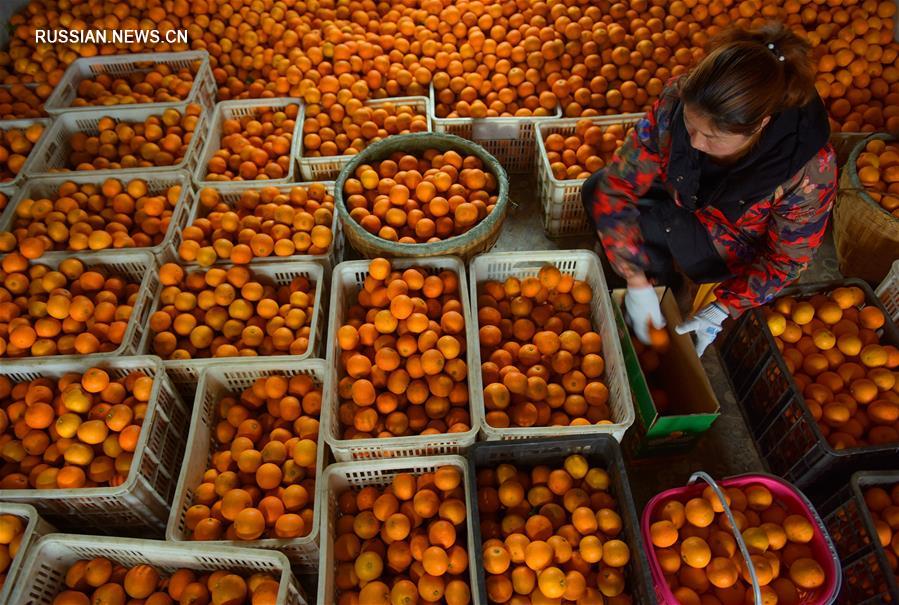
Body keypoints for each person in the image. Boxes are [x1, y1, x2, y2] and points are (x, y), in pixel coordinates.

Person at [582, 22, 837, 356]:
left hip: (731, 238)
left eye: (714, 137)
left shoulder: (807, 171)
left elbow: (787, 259)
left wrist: (726, 305)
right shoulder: (678, 99)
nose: (695, 142)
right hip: (683, 190)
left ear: (760, 125)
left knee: (655, 226)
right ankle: (655, 286)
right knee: (595, 187)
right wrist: (634, 276)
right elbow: (618, 183)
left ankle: (674, 292)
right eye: (690, 126)